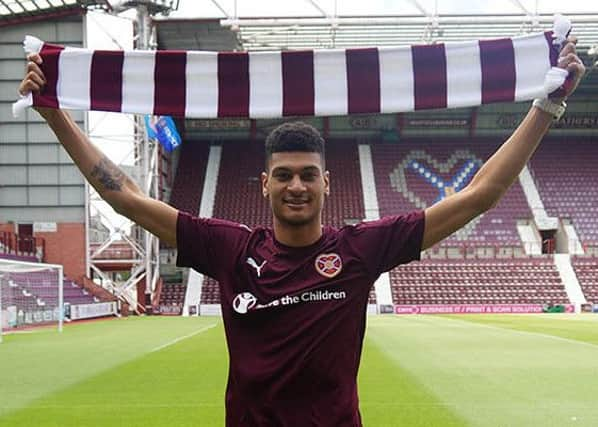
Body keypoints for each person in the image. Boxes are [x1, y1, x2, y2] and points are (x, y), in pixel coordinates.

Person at [18, 38, 584, 426]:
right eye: (284, 176)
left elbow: (477, 196)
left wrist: (547, 107)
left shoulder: (359, 250)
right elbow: (124, 194)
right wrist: (54, 113)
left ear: (326, 184)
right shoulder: (231, 249)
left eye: (307, 176)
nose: (296, 186)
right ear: (264, 184)